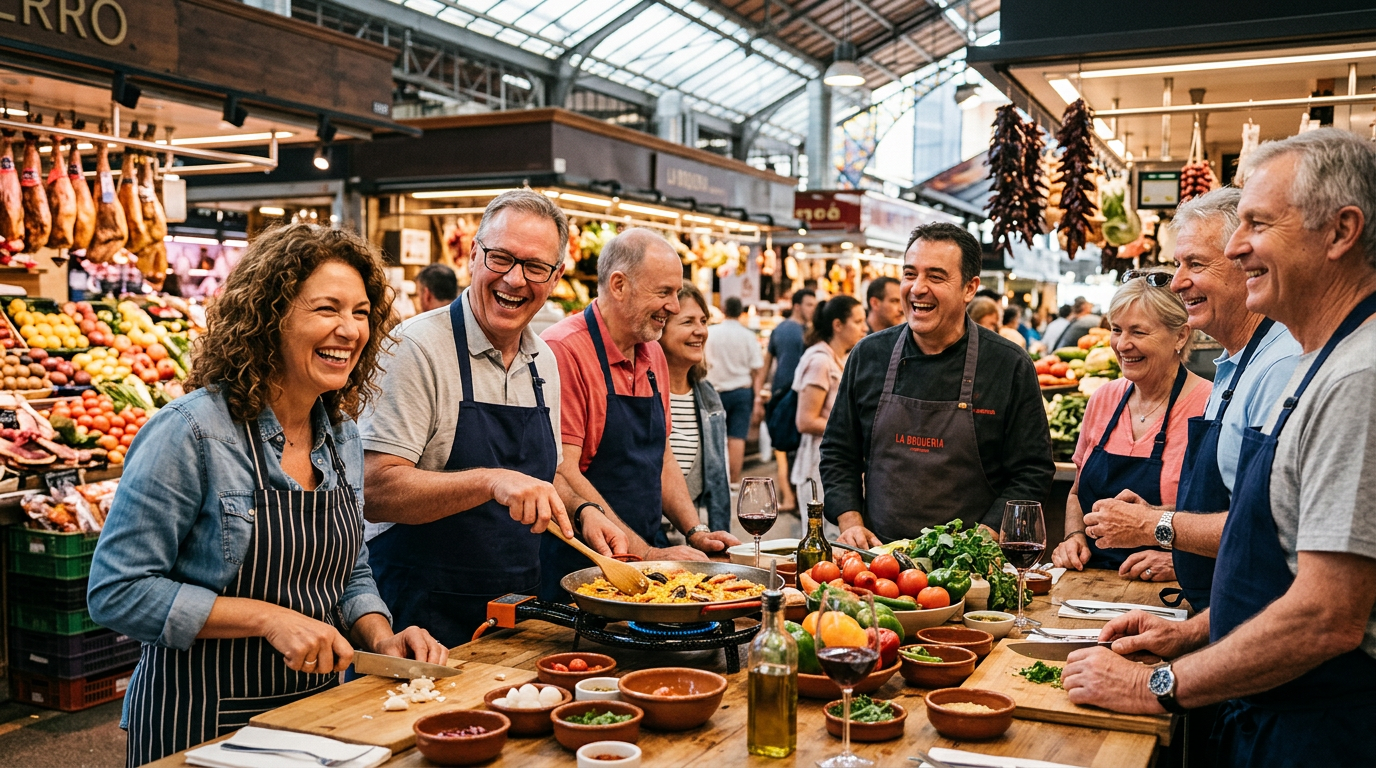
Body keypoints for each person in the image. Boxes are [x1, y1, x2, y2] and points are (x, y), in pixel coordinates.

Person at [1062, 128, 1376, 768]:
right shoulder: (1324, 358)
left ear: (1341, 232)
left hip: (1322, 728)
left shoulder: (1358, 377)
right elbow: (1279, 565)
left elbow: (1327, 615)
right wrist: (1194, 633)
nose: (1237, 247)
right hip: (1270, 699)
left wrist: (1154, 687)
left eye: (1257, 224)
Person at [87, 225, 446, 766]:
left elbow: (349, 570)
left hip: (319, 717)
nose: (349, 330)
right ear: (269, 316)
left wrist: (379, 634)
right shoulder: (191, 432)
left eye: (362, 312)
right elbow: (117, 589)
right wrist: (267, 618)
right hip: (199, 722)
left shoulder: (342, 434)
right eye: (327, 309)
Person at [360, 190, 626, 646]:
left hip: (513, 614)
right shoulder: (415, 348)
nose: (515, 279)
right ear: (472, 255)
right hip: (418, 621)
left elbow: (545, 475)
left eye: (535, 267)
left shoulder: (543, 360)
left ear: (557, 276)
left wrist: (585, 511)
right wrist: (490, 481)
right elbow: (372, 489)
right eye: (500, 258)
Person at [1079, 188, 1301, 611]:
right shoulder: (1235, 368)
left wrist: (1154, 525)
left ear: (1248, 264)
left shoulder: (1280, 368)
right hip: (1215, 611)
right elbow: (1238, 506)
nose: (1178, 282)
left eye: (1195, 264)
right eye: (1178, 265)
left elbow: (1271, 530)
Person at [821, 223, 1054, 546]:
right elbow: (838, 452)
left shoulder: (1008, 365)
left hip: (967, 568)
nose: (917, 288)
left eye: (935, 276)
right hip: (878, 560)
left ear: (969, 289)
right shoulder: (868, 354)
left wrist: (981, 540)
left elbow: (1033, 470)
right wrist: (850, 521)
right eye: (910, 274)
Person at [543, 228, 740, 600]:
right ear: (619, 285)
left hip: (647, 563)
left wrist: (694, 530)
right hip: (583, 566)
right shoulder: (564, 351)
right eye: (664, 292)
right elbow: (562, 469)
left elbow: (661, 457)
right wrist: (645, 554)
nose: (675, 306)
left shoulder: (651, 354)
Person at [1051, 274, 1210, 578]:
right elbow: (1076, 494)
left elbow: (1230, 518)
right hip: (1091, 584)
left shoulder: (1209, 407)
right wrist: (1075, 537)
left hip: (1170, 591)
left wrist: (1182, 563)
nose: (1123, 345)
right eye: (1116, 329)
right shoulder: (1103, 399)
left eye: (1138, 331)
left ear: (1180, 336)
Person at [660, 280, 731, 532]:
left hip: (696, 538)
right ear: (660, 327)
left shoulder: (708, 395)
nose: (700, 331)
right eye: (688, 322)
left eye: (703, 321)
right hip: (645, 540)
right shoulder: (641, 392)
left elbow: (719, 481)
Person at [792, 295, 865, 510]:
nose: (864, 328)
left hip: (837, 465)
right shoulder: (820, 361)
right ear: (838, 325)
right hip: (818, 467)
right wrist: (852, 432)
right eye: (858, 322)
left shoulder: (841, 358)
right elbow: (805, 420)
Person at [757, 288, 816, 513]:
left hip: (779, 396)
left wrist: (759, 393)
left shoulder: (778, 329)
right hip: (795, 397)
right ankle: (795, 497)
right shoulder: (806, 333)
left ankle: (788, 496)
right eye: (809, 305)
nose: (812, 309)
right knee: (797, 447)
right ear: (798, 306)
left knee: (782, 450)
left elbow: (767, 362)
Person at [705, 296, 763, 483]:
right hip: (741, 392)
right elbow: (757, 369)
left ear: (723, 309)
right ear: (741, 312)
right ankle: (733, 482)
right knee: (737, 437)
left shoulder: (711, 333)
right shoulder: (747, 335)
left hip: (713, 390)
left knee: (714, 439)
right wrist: (757, 398)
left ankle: (716, 482)